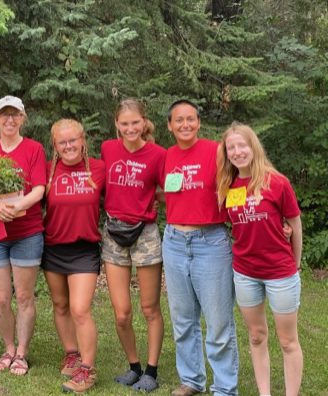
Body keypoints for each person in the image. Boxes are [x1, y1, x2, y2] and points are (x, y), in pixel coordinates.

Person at [217, 122, 303, 396]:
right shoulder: (227, 186)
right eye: (232, 147)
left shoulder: (276, 182)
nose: (238, 151)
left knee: (288, 341)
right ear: (227, 153)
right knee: (256, 336)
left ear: (253, 146)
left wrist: (296, 263)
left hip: (280, 272)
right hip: (245, 272)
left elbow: (295, 225)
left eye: (242, 145)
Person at [161, 99, 238, 396]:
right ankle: (192, 380)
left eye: (190, 119)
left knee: (218, 322)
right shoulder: (167, 155)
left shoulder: (215, 151)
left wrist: (261, 219)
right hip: (175, 242)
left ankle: (225, 388)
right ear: (170, 125)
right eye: (179, 120)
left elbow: (238, 185)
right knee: (183, 320)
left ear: (198, 122)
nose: (185, 125)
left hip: (211, 242)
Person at [0, 96, 46, 376]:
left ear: (23, 118)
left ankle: (22, 353)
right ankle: (8, 347)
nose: (9, 120)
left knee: (25, 297)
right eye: (4, 115)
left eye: (15, 115)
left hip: (27, 232)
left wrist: (14, 208)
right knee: (2, 298)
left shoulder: (34, 149)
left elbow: (39, 190)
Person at [101, 99, 166, 392]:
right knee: (122, 312)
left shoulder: (158, 154)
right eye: (124, 124)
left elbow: (169, 191)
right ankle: (133, 366)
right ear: (117, 124)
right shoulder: (107, 149)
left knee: (150, 307)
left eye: (135, 123)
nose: (130, 128)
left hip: (146, 233)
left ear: (144, 122)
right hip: (114, 232)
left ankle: (151, 371)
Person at [42, 119, 105, 392]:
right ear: (55, 146)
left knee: (80, 309)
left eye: (72, 140)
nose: (68, 146)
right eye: (62, 142)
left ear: (83, 141)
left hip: (84, 249)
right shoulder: (47, 171)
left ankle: (87, 370)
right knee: (60, 305)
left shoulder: (99, 169)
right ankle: (71, 352)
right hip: (53, 247)